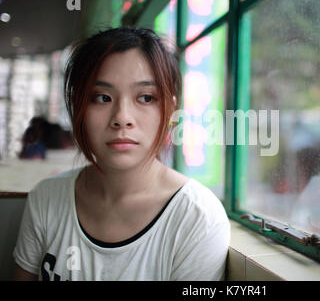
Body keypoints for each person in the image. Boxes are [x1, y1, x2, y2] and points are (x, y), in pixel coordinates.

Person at [12, 27, 230, 281]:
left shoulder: (196, 220)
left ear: (171, 109)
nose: (122, 118)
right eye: (102, 97)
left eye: (146, 98)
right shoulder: (46, 199)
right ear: (77, 107)